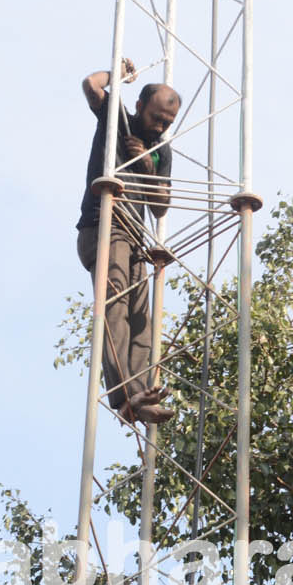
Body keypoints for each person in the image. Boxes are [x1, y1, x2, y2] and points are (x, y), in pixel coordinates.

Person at [77, 58, 180, 425]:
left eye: (168, 122)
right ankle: (124, 391)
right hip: (104, 225)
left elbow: (161, 207)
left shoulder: (160, 151)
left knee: (142, 317)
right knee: (115, 301)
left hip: (134, 236)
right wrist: (117, 75)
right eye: (156, 117)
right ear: (139, 106)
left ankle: (141, 394)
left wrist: (149, 168)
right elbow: (91, 85)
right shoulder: (117, 120)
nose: (160, 126)